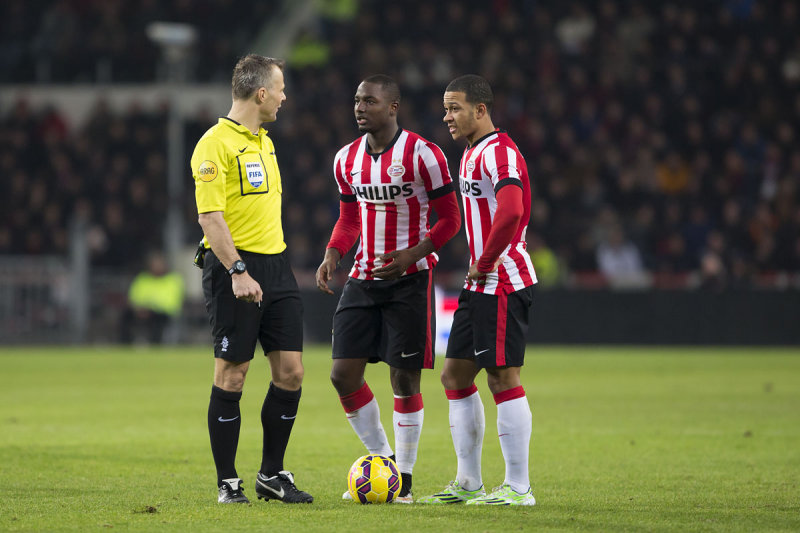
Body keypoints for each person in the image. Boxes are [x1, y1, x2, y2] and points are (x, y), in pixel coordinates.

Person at [315, 75, 461, 503]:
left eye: (370, 101)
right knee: (342, 375)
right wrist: (332, 254)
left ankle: (406, 478)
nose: (360, 107)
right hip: (362, 278)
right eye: (357, 100)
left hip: (410, 280)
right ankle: (384, 462)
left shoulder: (424, 154)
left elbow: (450, 219)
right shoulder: (345, 158)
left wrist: (411, 255)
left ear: (393, 106)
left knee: (404, 378)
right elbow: (349, 218)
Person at [190, 54, 312, 504]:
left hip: (277, 268)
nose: (283, 96)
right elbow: (210, 217)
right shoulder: (214, 145)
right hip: (232, 270)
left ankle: (272, 474)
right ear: (261, 94)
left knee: (292, 372)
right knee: (233, 374)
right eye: (279, 89)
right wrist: (237, 270)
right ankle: (227, 482)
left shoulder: (265, 141)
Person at [419, 75, 537, 506]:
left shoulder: (500, 152)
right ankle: (469, 481)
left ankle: (519, 488)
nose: (447, 116)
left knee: (503, 377)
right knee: (455, 376)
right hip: (482, 280)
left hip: (503, 278)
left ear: (481, 109)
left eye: (455, 108)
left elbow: (512, 211)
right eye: (445, 108)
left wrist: (485, 262)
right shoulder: (472, 153)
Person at [119, 250, 184, 344]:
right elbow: (133, 297)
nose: (156, 267)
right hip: (141, 311)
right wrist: (140, 308)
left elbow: (172, 303)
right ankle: (125, 344)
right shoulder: (142, 279)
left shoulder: (173, 280)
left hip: (162, 313)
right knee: (126, 316)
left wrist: (151, 307)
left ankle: (156, 344)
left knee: (158, 320)